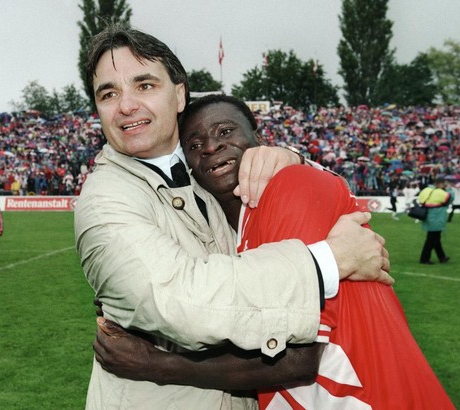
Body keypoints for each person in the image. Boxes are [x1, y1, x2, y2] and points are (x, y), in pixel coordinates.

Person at [75, 24, 392, 409]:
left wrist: (289, 158)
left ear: (179, 95)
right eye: (109, 93)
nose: (126, 105)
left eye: (144, 85)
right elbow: (184, 303)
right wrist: (328, 260)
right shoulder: (103, 199)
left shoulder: (207, 174)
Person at [93, 95, 454, 409]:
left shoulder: (293, 186)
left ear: (260, 139)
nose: (210, 146)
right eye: (193, 144)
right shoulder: (222, 229)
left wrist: (155, 364)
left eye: (225, 131)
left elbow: (299, 358)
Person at [418, 178, 453, 265]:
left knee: (436, 238)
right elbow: (450, 198)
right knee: (431, 239)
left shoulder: (426, 190)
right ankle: (424, 258)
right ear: (441, 184)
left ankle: (442, 257)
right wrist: (449, 189)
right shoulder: (440, 192)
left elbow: (420, 200)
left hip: (427, 216)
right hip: (437, 217)